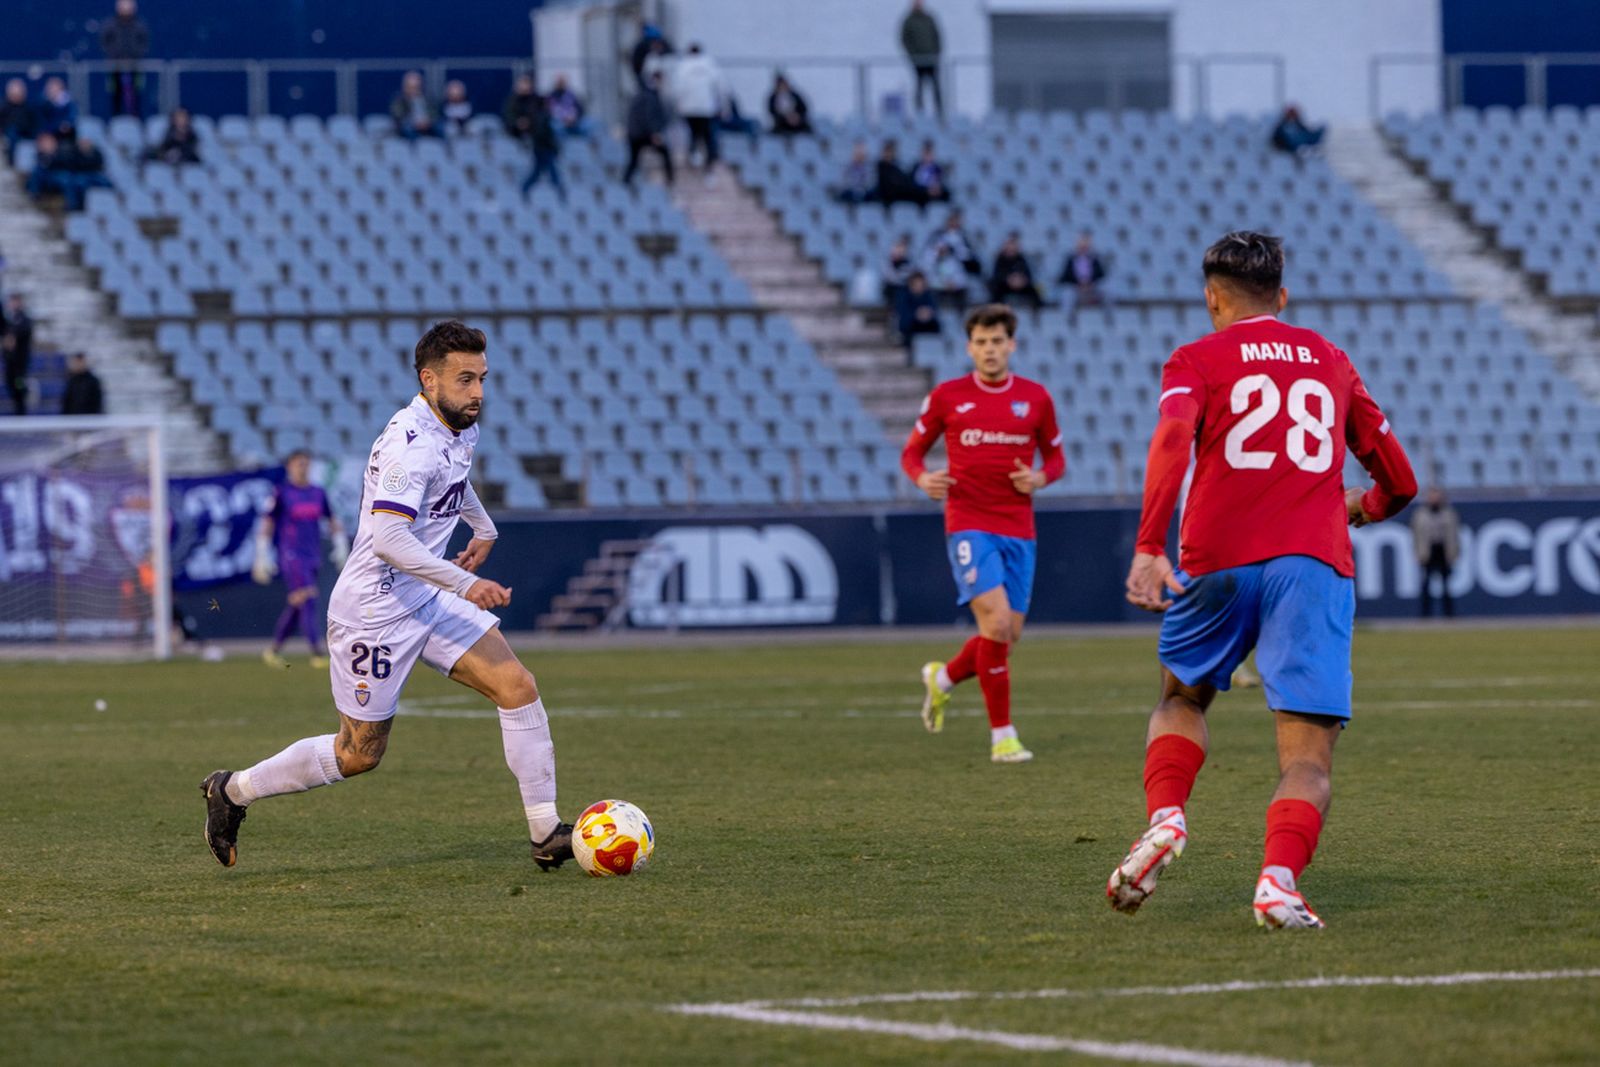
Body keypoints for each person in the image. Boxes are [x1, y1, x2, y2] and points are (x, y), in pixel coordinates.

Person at [1110, 231, 1417, 929]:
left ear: (1213, 298)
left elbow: (1170, 440)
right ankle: (1277, 881)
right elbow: (1400, 481)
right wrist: (1363, 510)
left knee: (1180, 697)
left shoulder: (1194, 358)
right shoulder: (1331, 360)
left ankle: (1166, 816)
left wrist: (1150, 545)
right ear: (1282, 296)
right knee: (1306, 756)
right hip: (1311, 563)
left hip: (1217, 555)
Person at [200, 320, 577, 873]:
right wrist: (466, 582)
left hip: (425, 595)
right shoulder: (410, 447)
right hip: (375, 612)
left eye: (482, 379)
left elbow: (457, 481)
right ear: (429, 380)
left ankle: (545, 833)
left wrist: (485, 528)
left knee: (517, 686)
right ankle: (232, 791)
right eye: (465, 380)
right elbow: (389, 540)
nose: (478, 393)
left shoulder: (456, 426)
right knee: (359, 754)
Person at [905, 304, 1065, 762]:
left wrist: (1038, 478)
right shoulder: (947, 397)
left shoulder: (1035, 398)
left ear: (1011, 345)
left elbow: (1056, 460)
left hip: (1020, 528)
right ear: (969, 346)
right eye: (981, 342)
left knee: (1006, 636)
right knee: (994, 624)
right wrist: (922, 479)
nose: (989, 350)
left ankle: (943, 679)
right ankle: (1003, 737)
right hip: (969, 522)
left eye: (997, 341)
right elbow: (912, 453)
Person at [253, 450, 350, 669]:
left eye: (306, 464)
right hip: (291, 554)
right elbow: (268, 521)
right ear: (289, 467)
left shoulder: (317, 492)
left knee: (298, 604)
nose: (303, 468)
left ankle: (274, 650)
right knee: (308, 599)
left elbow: (331, 518)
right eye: (299, 464)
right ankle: (317, 653)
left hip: (312, 554)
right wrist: (262, 552)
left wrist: (340, 543)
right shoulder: (282, 492)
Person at [29, 129, 114, 212]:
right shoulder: (44, 156)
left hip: (85, 174)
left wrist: (88, 154)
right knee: (73, 181)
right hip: (56, 177)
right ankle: (74, 207)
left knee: (102, 181)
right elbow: (49, 168)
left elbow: (97, 164)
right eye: (45, 143)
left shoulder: (92, 152)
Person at [672, 44, 724, 171]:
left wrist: (678, 105)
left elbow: (678, 89)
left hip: (689, 108)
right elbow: (721, 87)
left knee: (693, 134)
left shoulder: (683, 66)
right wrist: (721, 105)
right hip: (706, 108)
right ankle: (709, 161)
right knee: (707, 135)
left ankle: (693, 157)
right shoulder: (710, 64)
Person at [1411, 486, 1460, 617]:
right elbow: (1416, 535)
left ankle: (1449, 614)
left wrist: (1454, 552)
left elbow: (1454, 535)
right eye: (1431, 495)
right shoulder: (1420, 513)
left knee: (1446, 584)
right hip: (1428, 551)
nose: (1434, 498)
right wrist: (1417, 552)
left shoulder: (1448, 513)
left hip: (1443, 550)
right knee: (1426, 584)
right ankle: (1425, 614)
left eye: (1436, 495)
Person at [99, 0, 150, 117]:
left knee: (136, 92)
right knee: (114, 92)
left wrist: (133, 56)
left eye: (129, 7)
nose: (126, 9)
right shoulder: (110, 24)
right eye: (123, 6)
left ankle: (136, 118)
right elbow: (104, 42)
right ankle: (115, 118)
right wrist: (116, 57)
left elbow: (144, 43)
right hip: (114, 66)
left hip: (135, 65)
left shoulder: (139, 25)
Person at [622, 73, 673, 187]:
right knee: (664, 152)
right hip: (644, 134)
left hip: (635, 134)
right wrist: (654, 133)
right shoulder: (650, 96)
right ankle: (670, 181)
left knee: (633, 160)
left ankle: (625, 182)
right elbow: (649, 116)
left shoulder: (640, 93)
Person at [901, 0, 944, 118]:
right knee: (919, 86)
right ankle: (920, 113)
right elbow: (905, 39)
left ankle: (939, 112)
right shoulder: (909, 21)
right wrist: (913, 55)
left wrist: (937, 53)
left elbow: (937, 36)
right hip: (918, 60)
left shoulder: (929, 19)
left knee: (936, 86)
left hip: (931, 59)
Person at [519, 93, 564, 200]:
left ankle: (525, 188)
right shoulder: (543, 116)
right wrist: (553, 146)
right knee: (549, 170)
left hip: (540, 148)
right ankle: (559, 190)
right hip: (544, 148)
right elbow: (544, 135)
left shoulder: (538, 116)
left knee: (538, 171)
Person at [988, 232, 1041, 309]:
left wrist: (1022, 280)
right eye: (1009, 245)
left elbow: (1028, 274)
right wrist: (1008, 280)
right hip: (1005, 286)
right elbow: (996, 275)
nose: (1011, 248)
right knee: (996, 291)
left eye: (1013, 245)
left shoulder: (1021, 258)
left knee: (1034, 290)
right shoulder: (1000, 259)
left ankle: (1038, 312)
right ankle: (996, 313)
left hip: (1021, 285)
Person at [1058, 231, 1107, 313]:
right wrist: (1078, 283)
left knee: (1106, 290)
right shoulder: (1070, 259)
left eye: (1085, 246)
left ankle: (1108, 317)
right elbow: (1064, 276)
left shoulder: (1094, 258)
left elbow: (1101, 274)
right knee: (1067, 293)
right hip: (1076, 287)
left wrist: (1090, 283)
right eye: (1081, 246)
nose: (1083, 248)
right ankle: (1068, 318)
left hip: (1092, 287)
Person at [3, 294, 34, 415]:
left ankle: (22, 409)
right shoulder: (10, 319)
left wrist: (12, 336)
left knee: (19, 385)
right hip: (10, 363)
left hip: (20, 364)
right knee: (12, 385)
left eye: (15, 301)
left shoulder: (24, 319)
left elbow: (22, 330)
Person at [894, 270, 940, 345]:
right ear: (911, 285)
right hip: (909, 327)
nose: (919, 287)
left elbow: (933, 309)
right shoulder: (903, 295)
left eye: (921, 285)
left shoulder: (928, 294)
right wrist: (916, 314)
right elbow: (902, 312)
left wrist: (927, 313)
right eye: (916, 284)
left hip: (927, 326)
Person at [390, 71, 440, 140]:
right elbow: (398, 115)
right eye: (411, 87)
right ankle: (414, 149)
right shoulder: (399, 100)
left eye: (417, 87)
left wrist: (428, 121)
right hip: (409, 125)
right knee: (407, 129)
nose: (414, 90)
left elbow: (435, 114)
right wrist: (415, 122)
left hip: (428, 125)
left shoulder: (428, 99)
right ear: (405, 87)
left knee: (440, 128)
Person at [874, 140, 923, 207]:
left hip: (899, 191)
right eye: (887, 151)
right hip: (889, 194)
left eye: (890, 151)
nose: (888, 154)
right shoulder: (881, 166)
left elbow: (903, 179)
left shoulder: (895, 165)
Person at [1, 79, 39, 166]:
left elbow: (35, 124)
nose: (16, 96)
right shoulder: (4, 107)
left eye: (18, 94)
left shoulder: (29, 107)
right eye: (14, 94)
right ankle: (11, 162)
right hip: (9, 134)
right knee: (12, 132)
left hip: (26, 133)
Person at [501, 74, 540, 145]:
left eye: (527, 84)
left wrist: (528, 121)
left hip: (533, 128)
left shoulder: (536, 99)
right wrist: (517, 122)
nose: (525, 87)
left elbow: (538, 113)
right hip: (515, 129)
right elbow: (508, 113)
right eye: (523, 84)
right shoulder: (512, 100)